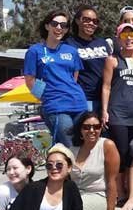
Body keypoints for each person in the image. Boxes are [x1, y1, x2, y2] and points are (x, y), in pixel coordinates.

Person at [23, 10, 87, 147]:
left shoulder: (71, 51)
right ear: (47, 26)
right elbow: (29, 80)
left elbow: (74, 77)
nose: (59, 28)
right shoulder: (35, 51)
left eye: (63, 25)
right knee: (68, 146)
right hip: (55, 106)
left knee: (83, 146)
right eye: (55, 24)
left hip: (79, 103)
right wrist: (44, 97)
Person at [101, 23, 133, 178]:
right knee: (121, 151)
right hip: (118, 113)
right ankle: (118, 187)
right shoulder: (112, 60)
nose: (128, 39)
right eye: (124, 35)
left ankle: (131, 185)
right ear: (118, 39)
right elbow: (106, 86)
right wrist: (104, 111)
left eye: (132, 35)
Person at [70, 113, 119, 210]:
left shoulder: (107, 145)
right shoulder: (72, 150)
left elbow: (112, 180)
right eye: (86, 127)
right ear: (80, 129)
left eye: (96, 127)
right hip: (75, 196)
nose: (92, 130)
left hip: (98, 196)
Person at [66, 6, 113, 114]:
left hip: (106, 99)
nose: (91, 23)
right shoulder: (69, 44)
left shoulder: (103, 43)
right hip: (84, 100)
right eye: (86, 19)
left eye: (95, 21)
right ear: (77, 21)